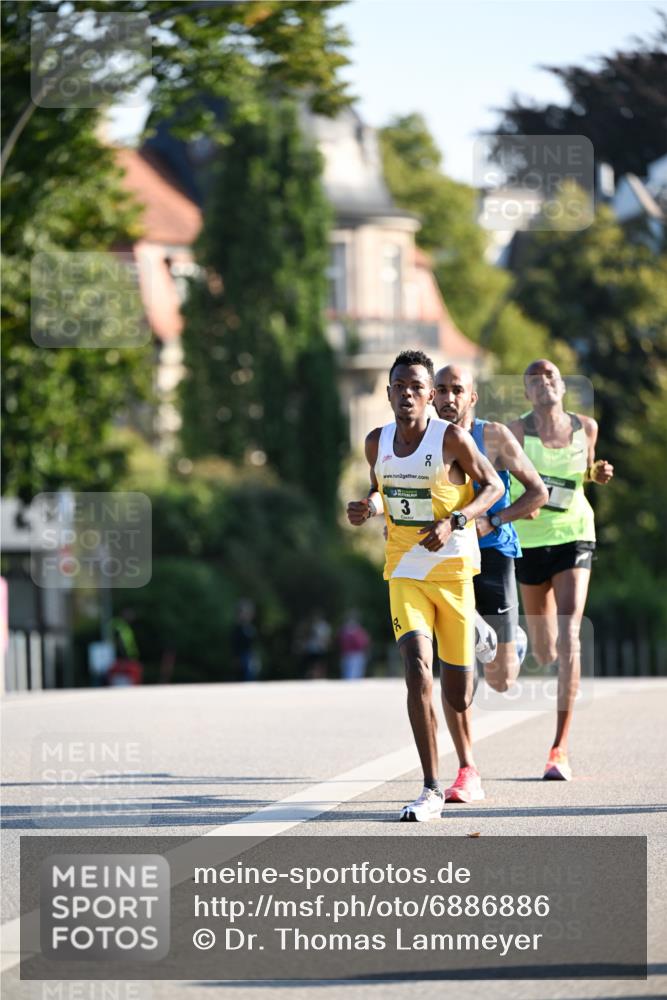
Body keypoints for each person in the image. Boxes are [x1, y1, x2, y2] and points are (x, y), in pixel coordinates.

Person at [347, 350, 503, 821]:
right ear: (389, 392)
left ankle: (473, 633)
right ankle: (431, 787)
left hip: (454, 573)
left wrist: (456, 519)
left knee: (457, 696)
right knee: (417, 670)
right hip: (405, 572)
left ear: (430, 395)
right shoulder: (377, 442)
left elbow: (493, 487)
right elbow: (382, 489)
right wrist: (369, 507)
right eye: (400, 387)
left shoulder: (452, 439)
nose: (408, 395)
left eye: (417, 387)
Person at [433, 365, 549, 802]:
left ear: (472, 397)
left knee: (500, 679)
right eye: (440, 390)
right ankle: (467, 769)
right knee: (452, 668)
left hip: (495, 554)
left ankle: (508, 641)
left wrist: (491, 520)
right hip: (444, 562)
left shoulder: (494, 436)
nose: (448, 397)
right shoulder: (423, 442)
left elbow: (537, 492)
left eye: (456, 390)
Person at [508, 359, 613, 780]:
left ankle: (559, 748)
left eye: (550, 376)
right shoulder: (514, 433)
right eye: (534, 379)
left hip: (574, 534)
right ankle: (525, 643)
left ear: (562, 386)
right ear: (527, 393)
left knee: (570, 635)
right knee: (544, 651)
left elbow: (584, 472)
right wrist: (518, 509)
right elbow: (498, 479)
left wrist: (597, 473)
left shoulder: (586, 427)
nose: (544, 383)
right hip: (530, 542)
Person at [338, 612, 370, 680]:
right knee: (350, 675)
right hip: (350, 655)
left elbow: (364, 642)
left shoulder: (357, 630)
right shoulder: (347, 630)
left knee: (353, 675)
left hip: (355, 655)